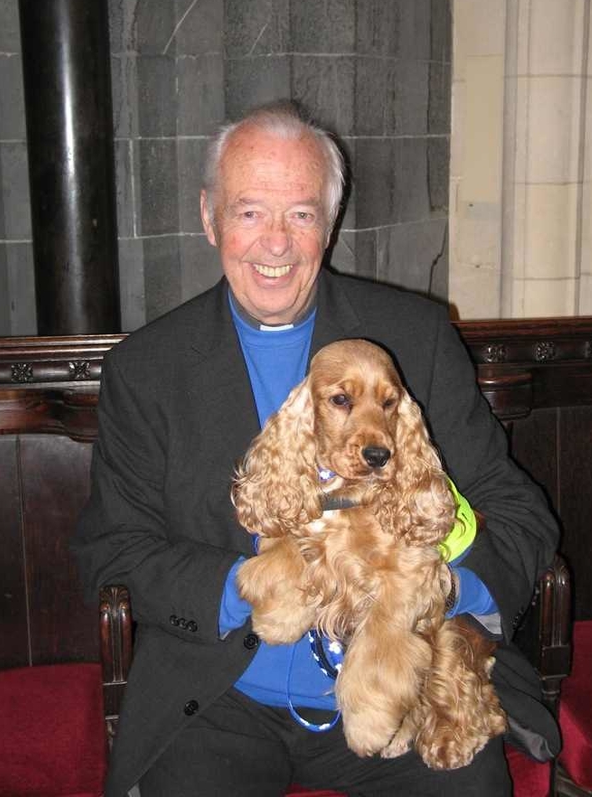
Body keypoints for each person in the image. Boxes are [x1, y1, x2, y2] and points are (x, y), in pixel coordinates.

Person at [73, 101, 560, 797]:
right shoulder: (147, 368)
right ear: (210, 217)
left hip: (408, 683)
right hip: (222, 696)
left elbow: (519, 513)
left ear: (327, 228)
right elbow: (113, 550)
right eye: (249, 212)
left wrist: (434, 588)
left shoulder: (411, 338)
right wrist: (252, 587)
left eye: (300, 214)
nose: (275, 242)